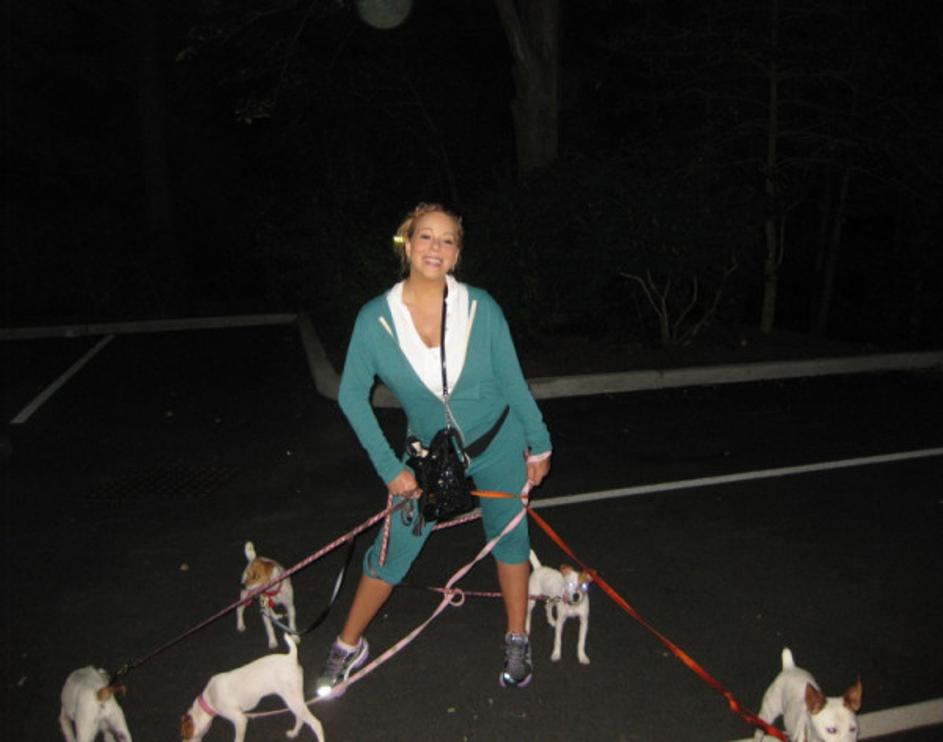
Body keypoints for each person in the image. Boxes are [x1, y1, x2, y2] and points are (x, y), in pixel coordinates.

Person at [315, 202, 552, 695]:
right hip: (427, 455)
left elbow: (513, 382)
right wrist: (389, 468)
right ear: (407, 243)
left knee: (510, 539)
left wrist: (540, 443)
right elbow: (351, 395)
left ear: (457, 253)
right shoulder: (375, 319)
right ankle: (348, 644)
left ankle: (517, 637)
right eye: (425, 236)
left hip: (498, 442)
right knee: (391, 551)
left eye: (447, 240)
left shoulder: (481, 308)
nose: (435, 248)